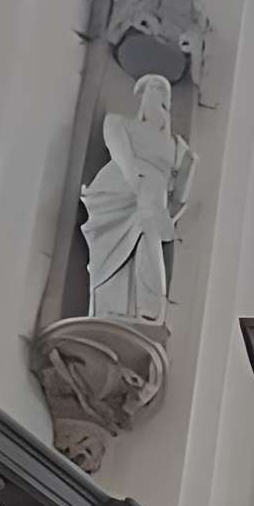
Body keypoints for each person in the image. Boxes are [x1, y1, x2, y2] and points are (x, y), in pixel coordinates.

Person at [80, 72, 195, 323]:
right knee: (112, 253)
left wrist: (186, 171)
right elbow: (121, 154)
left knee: (149, 244)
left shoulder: (177, 146)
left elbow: (180, 195)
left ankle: (147, 311)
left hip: (153, 203)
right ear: (144, 98)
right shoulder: (119, 123)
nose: (159, 98)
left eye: (164, 94)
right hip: (121, 193)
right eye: (153, 91)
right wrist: (136, 184)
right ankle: (108, 311)